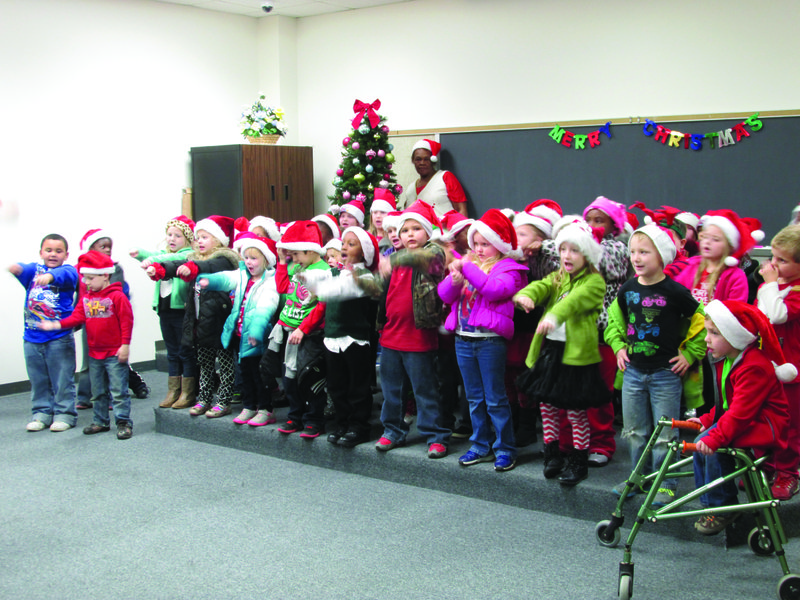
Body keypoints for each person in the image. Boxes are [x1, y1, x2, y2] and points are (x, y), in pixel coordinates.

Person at [605, 223, 706, 505]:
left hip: (665, 375)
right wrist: (618, 347)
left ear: (662, 256)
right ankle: (638, 477)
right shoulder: (627, 289)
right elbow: (614, 323)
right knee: (635, 431)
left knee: (664, 432)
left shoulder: (675, 292)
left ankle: (665, 482)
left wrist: (690, 354)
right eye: (633, 252)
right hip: (634, 373)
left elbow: (703, 322)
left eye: (644, 252)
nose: (636, 258)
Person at [513, 218, 606, 485]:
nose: (567, 255)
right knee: (548, 406)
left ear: (587, 254)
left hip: (576, 356)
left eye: (574, 250)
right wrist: (526, 294)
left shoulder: (594, 282)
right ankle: (552, 455)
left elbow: (574, 302)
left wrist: (554, 315)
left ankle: (578, 462)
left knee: (576, 411)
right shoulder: (558, 277)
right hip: (551, 351)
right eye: (563, 249)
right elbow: (541, 285)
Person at [689, 300, 792, 534]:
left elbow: (740, 413)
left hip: (766, 425)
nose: (707, 339)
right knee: (704, 440)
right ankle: (710, 504)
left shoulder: (754, 366)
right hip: (750, 419)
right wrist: (707, 420)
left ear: (735, 336)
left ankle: (722, 505)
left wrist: (714, 436)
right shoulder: (730, 360)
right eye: (708, 331)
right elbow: (728, 404)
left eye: (714, 333)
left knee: (713, 444)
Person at [438, 209, 528, 471]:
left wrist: (465, 267)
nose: (478, 249)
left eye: (484, 244)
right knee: (474, 397)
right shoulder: (471, 266)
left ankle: (505, 448)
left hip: (490, 342)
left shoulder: (510, 269)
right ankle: (480, 444)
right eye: (475, 244)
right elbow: (444, 296)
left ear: (498, 245)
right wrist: (455, 281)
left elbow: (493, 289)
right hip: (463, 339)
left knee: (495, 398)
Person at [361, 200, 452, 457]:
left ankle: (436, 435)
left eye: (416, 229)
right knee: (392, 392)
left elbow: (429, 257)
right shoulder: (394, 260)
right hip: (390, 337)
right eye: (405, 230)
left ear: (427, 232)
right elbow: (377, 289)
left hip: (419, 338)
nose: (409, 234)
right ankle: (393, 430)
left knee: (425, 391)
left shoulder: (431, 255)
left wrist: (397, 257)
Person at [146, 215, 240, 417]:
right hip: (201, 323)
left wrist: (194, 268)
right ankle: (204, 398)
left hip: (220, 324)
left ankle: (224, 401)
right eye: (198, 237)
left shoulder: (224, 259)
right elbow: (177, 263)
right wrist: (160, 270)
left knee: (224, 364)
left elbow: (209, 267)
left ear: (218, 239)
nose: (199, 241)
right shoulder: (195, 258)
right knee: (204, 364)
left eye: (205, 237)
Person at [38, 251, 134, 439]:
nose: (86, 282)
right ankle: (100, 421)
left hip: (114, 353)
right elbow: (76, 317)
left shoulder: (117, 297)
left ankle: (123, 422)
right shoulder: (87, 298)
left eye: (90, 278)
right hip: (95, 354)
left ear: (105, 275)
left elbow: (126, 322)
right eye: (84, 278)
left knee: (118, 391)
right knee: (97, 391)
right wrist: (55, 324)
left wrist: (125, 345)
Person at [301, 226, 380, 447]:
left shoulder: (363, 276)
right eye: (343, 243)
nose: (344, 247)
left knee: (357, 386)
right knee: (337, 386)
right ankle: (342, 423)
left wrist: (322, 287)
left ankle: (359, 426)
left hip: (354, 339)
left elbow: (345, 289)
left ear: (364, 252)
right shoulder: (334, 273)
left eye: (351, 244)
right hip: (332, 338)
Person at [200, 233, 280, 426]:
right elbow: (226, 278)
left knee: (259, 375)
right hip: (240, 336)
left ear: (266, 260)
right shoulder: (242, 276)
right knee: (244, 374)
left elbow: (265, 307)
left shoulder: (270, 282)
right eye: (246, 257)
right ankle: (249, 406)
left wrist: (257, 329)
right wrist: (210, 281)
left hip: (256, 338)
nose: (249, 262)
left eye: (254, 258)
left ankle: (265, 409)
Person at [9, 233, 79, 432]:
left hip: (59, 338)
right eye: (48, 250)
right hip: (32, 337)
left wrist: (49, 276)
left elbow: (66, 276)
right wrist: (13, 267)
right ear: (41, 252)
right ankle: (42, 413)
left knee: (62, 379)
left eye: (58, 251)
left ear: (66, 254)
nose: (53, 254)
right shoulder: (33, 270)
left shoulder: (68, 271)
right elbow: (20, 268)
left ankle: (65, 414)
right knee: (38, 379)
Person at [267, 221, 330, 438]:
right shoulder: (297, 267)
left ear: (310, 250)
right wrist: (281, 261)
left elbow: (322, 305)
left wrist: (303, 328)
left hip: (308, 334)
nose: (293, 259)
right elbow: (282, 287)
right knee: (290, 377)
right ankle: (295, 416)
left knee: (309, 377)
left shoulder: (322, 271)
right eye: (291, 255)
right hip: (288, 330)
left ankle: (314, 419)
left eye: (296, 254)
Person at [507, 200, 561, 446]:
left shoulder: (546, 256)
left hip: (534, 327)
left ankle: (528, 426)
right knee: (512, 375)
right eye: (515, 232)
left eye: (522, 233)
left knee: (528, 375)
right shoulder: (513, 258)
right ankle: (517, 421)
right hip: (514, 326)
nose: (516, 238)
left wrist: (545, 247)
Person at [131, 216, 197, 409]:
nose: (172, 239)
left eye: (177, 235)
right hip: (165, 311)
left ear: (186, 239)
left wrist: (151, 259)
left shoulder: (187, 255)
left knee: (185, 351)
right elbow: (156, 254)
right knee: (171, 352)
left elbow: (167, 259)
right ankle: (173, 390)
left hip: (181, 312)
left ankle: (188, 391)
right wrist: (140, 254)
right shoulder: (163, 253)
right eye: (169, 235)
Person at [78, 228, 150, 402]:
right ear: (90, 248)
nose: (108, 250)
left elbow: (118, 295)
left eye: (109, 246)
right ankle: (84, 396)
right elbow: (78, 297)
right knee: (90, 360)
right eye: (103, 246)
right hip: (90, 321)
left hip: (109, 321)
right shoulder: (80, 271)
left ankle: (134, 386)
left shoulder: (112, 269)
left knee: (114, 361)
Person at [757, 224, 800, 500]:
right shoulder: (769, 287)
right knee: (762, 419)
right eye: (773, 257)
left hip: (793, 372)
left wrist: (771, 284)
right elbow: (761, 318)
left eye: (782, 260)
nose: (773, 264)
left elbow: (777, 314)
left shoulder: (793, 290)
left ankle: (788, 472)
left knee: (789, 425)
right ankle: (765, 466)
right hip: (766, 369)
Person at [398, 139, 468, 217]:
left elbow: (461, 210)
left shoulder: (445, 177)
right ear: (413, 161)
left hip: (445, 228)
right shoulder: (410, 189)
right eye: (418, 159)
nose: (422, 163)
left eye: (426, 159)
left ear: (433, 161)